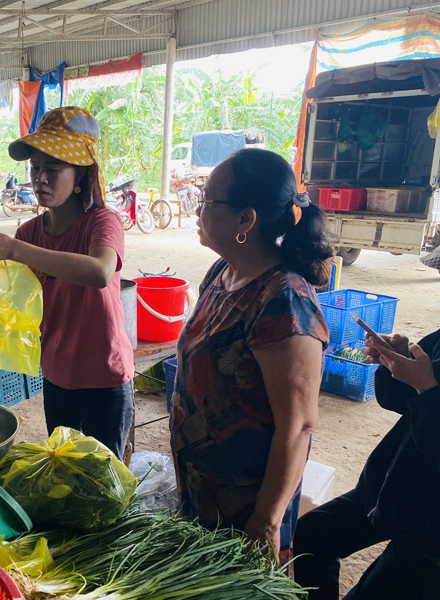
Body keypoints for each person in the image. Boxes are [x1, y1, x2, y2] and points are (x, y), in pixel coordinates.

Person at [169, 148, 332, 565]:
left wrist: (266, 520)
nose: (199, 209)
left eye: (208, 200)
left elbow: (298, 426)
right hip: (204, 490)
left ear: (246, 220)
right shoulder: (221, 273)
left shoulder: (284, 300)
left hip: (248, 506)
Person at [0, 107, 134, 459]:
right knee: (65, 469)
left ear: (80, 175)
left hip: (105, 376)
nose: (41, 179)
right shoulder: (30, 232)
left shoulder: (102, 222)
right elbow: (13, 297)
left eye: (53, 169)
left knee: (105, 477)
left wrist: (16, 250)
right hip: (57, 374)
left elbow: (100, 272)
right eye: (36, 168)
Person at [293, 329, 440, 599]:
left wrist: (427, 389)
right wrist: (397, 362)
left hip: (429, 531)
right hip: (390, 486)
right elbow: (399, 400)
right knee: (313, 535)